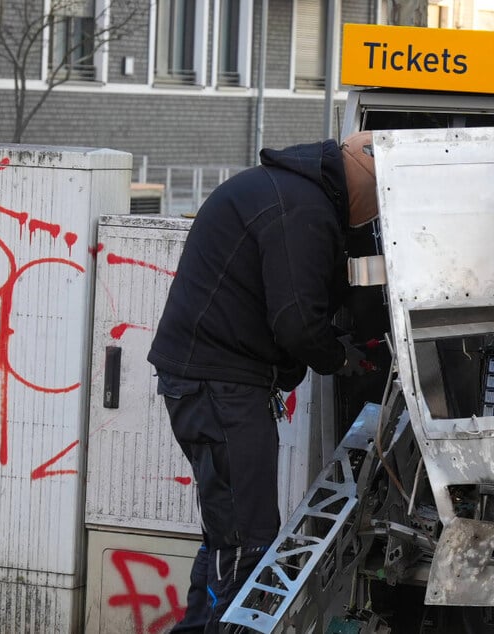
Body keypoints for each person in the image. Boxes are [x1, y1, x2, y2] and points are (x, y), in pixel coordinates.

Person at [147, 131, 378, 632]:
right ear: (365, 188)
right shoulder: (305, 209)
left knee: (226, 539)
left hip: (203, 380)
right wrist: (341, 357)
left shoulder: (285, 190)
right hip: (221, 386)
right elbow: (296, 322)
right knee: (248, 545)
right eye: (379, 203)